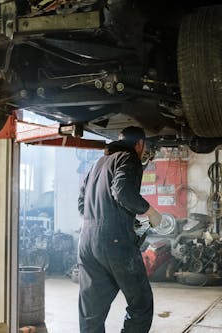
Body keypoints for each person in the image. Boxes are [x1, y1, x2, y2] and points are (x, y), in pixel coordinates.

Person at [77, 126, 162, 333]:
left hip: (87, 241)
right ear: (139, 144)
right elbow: (122, 191)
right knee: (140, 303)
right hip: (115, 243)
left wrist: (118, 220)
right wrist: (150, 211)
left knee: (92, 310)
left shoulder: (97, 164)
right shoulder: (128, 157)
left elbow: (82, 204)